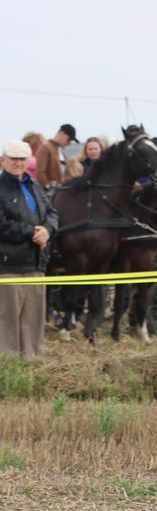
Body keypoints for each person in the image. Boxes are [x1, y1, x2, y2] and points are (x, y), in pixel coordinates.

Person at [0, 140, 58, 357]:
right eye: (13, 158)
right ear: (2, 160)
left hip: (36, 262)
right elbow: (2, 224)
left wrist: (48, 231)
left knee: (33, 317)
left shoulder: (34, 186)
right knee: (7, 319)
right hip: (8, 265)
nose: (18, 163)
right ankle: (8, 365)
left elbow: (52, 213)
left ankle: (32, 363)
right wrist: (32, 233)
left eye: (22, 159)